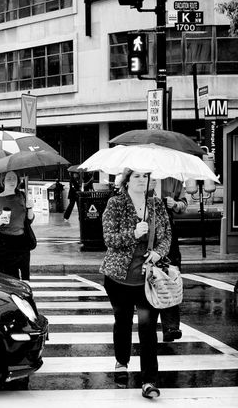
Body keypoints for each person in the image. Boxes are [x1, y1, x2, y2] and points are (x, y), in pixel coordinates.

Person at [100, 169, 171, 399]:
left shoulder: (157, 204)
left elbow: (167, 235)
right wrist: (133, 233)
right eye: (137, 176)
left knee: (148, 328)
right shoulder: (116, 203)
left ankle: (149, 380)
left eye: (145, 176)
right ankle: (122, 362)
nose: (142, 180)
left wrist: (158, 254)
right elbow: (109, 238)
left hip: (148, 279)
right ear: (127, 180)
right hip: (119, 278)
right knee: (122, 322)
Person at [150, 177, 188, 342]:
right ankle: (148, 324)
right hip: (147, 232)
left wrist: (176, 204)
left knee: (169, 276)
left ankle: (171, 326)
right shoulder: (141, 175)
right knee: (150, 278)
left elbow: (184, 203)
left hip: (168, 231)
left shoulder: (174, 179)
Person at [0, 171, 35, 280]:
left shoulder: (22, 196)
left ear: (18, 180)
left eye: (14, 178)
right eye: (8, 178)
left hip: (22, 242)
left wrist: (30, 208)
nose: (12, 181)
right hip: (3, 244)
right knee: (5, 280)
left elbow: (29, 220)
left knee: (24, 279)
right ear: (2, 181)